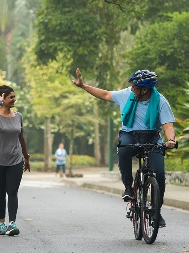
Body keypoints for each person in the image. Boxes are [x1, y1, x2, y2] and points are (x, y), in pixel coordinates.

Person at [72, 68, 176, 227]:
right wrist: (83, 86)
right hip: (130, 134)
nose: (132, 88)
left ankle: (156, 211)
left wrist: (171, 140)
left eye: (135, 86)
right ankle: (128, 188)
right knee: (123, 150)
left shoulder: (160, 101)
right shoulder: (128, 94)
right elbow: (106, 94)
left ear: (145, 89)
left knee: (160, 174)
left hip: (151, 136)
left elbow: (167, 125)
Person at [0, 85, 30, 236]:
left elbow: (21, 137)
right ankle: (2, 223)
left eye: (14, 96)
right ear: (2, 98)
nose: (14, 99)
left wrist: (26, 156)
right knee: (0, 192)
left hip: (15, 159)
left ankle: (12, 223)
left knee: (12, 191)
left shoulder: (18, 116)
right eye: (11, 97)